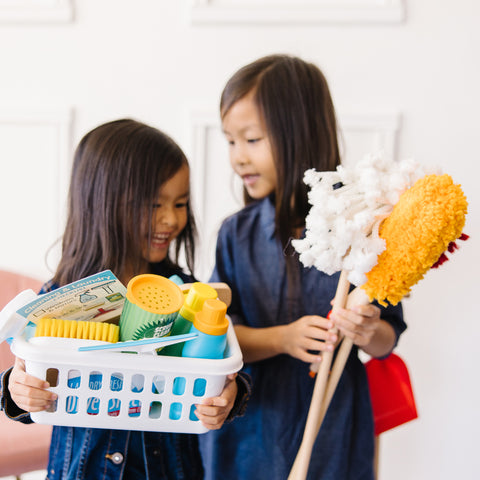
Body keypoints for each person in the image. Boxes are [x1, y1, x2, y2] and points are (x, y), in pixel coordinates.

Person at [0, 119, 249, 480]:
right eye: (153, 205)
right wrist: (18, 391)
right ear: (103, 205)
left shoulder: (189, 295)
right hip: (82, 470)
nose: (170, 219)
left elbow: (226, 364)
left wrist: (230, 395)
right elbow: (26, 374)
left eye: (179, 204)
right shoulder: (60, 298)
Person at [198, 54, 406, 480]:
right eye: (230, 141)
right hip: (250, 422)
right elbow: (218, 337)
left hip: (332, 421)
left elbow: (387, 339)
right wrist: (283, 338)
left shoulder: (362, 227)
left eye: (251, 139)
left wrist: (368, 331)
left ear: (300, 134)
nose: (238, 157)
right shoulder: (236, 234)